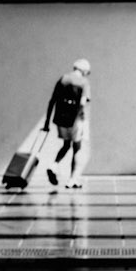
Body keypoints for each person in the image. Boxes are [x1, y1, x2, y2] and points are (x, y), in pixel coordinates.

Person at [43, 57, 91, 189]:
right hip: (75, 119)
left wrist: (47, 122)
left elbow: (52, 100)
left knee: (66, 145)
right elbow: (83, 102)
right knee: (77, 148)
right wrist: (82, 120)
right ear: (85, 70)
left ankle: (54, 165)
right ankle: (73, 180)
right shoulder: (83, 82)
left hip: (61, 119)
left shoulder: (63, 79)